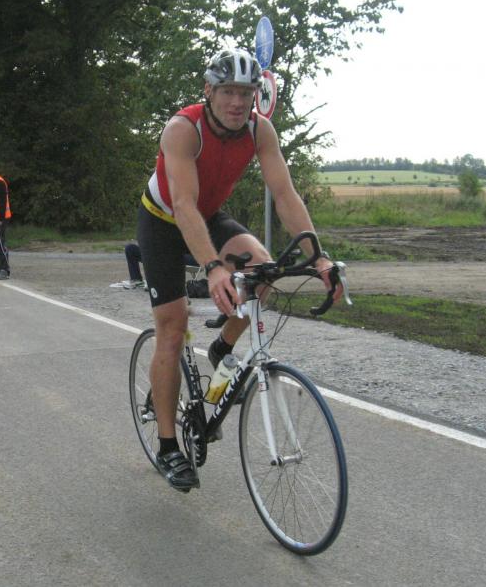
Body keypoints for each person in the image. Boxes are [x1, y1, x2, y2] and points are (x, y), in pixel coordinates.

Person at [136, 46, 341, 492]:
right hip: (163, 220)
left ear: (255, 96)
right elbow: (183, 205)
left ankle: (222, 348)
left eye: (245, 93)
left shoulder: (258, 130)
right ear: (208, 91)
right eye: (227, 91)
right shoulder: (183, 129)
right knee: (172, 326)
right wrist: (213, 267)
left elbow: (285, 195)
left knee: (265, 272)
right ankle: (168, 446)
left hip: (208, 215)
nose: (236, 102)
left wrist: (318, 256)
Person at [120, 243, 197, 290]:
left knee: (165, 253)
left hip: (191, 256)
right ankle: (136, 279)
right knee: (130, 248)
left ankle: (156, 282)